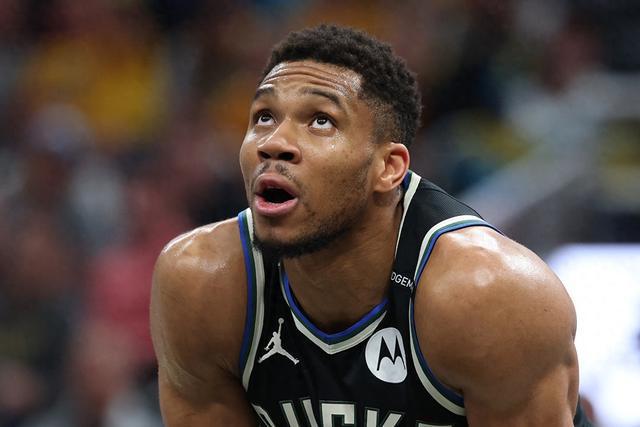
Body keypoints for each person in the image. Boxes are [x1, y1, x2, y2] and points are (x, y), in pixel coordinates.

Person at [150, 25, 592, 426]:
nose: (274, 143)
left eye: (320, 121)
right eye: (264, 116)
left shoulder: (491, 297)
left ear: (389, 168)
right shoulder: (202, 285)